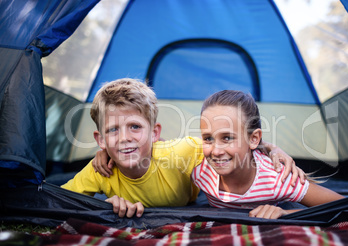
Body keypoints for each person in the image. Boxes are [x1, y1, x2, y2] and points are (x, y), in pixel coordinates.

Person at [68, 78, 304, 218]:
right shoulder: (99, 170)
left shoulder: (181, 153)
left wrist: (271, 148)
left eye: (134, 127)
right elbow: (54, 202)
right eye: (112, 131)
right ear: (100, 139)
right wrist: (102, 206)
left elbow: (228, 145)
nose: (124, 138)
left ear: (155, 134)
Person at [191, 90, 344, 219]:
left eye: (227, 138)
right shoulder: (196, 162)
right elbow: (166, 148)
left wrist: (286, 213)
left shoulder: (277, 178)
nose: (216, 151)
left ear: (254, 139)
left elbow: (344, 206)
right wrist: (271, 147)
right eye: (208, 138)